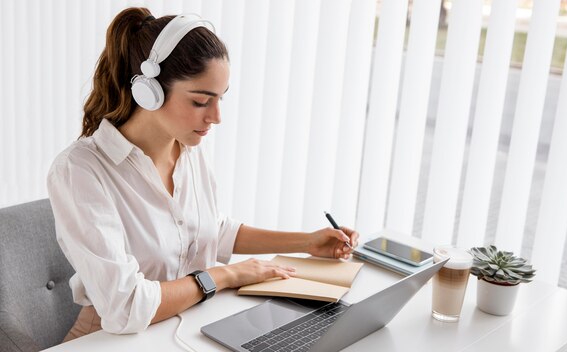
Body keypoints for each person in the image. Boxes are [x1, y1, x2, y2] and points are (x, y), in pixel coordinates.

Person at [47, 7, 359, 340]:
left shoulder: (189, 150)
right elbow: (127, 308)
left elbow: (212, 230)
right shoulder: (80, 171)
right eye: (200, 101)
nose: (216, 116)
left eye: (220, 99)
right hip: (110, 341)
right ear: (148, 92)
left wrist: (306, 242)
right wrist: (224, 276)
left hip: (191, 327)